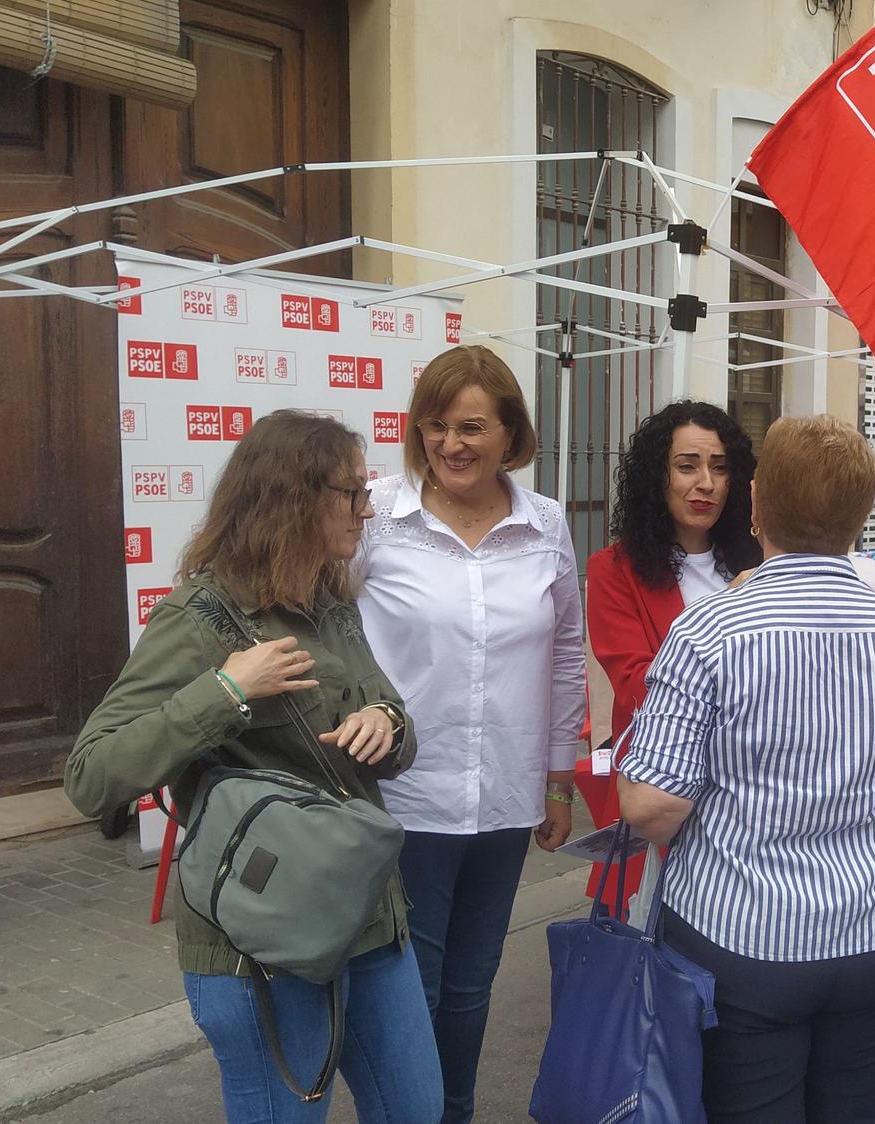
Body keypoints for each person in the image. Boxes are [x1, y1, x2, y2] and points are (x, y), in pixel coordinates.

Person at [66, 411, 439, 1123]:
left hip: (364, 910)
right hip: (263, 945)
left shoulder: (330, 604)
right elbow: (91, 775)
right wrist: (228, 691)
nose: (368, 509)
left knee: (417, 1109)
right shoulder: (201, 618)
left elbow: (398, 728)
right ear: (292, 499)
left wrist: (384, 726)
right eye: (351, 494)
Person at [616, 415, 875, 1124]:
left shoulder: (707, 632)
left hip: (745, 931)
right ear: (861, 512)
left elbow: (650, 808)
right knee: (855, 1108)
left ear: (757, 504)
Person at [355, 346, 585, 1123]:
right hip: (402, 795)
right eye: (437, 425)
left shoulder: (545, 523)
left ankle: (452, 1109)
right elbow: (326, 630)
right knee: (409, 981)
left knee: (471, 983)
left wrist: (560, 778)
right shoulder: (377, 516)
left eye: (474, 427)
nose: (453, 444)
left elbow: (564, 657)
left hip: (506, 795)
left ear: (510, 433)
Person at [586, 402, 762, 763]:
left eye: (720, 468)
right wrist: (725, 607)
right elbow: (638, 687)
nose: (707, 484)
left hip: (753, 774)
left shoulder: (758, 560)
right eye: (687, 467)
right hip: (663, 774)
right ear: (656, 478)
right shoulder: (613, 571)